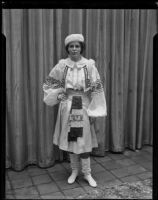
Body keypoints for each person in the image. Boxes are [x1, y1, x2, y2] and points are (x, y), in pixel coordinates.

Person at [43, 34, 107, 187]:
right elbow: (50, 83)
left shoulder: (90, 65)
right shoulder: (62, 65)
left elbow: (97, 88)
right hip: (67, 106)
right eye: (71, 46)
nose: (74, 49)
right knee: (71, 139)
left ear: (81, 48)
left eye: (77, 46)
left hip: (83, 105)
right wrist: (59, 96)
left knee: (83, 141)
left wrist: (94, 110)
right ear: (67, 48)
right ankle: (74, 171)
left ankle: (87, 173)